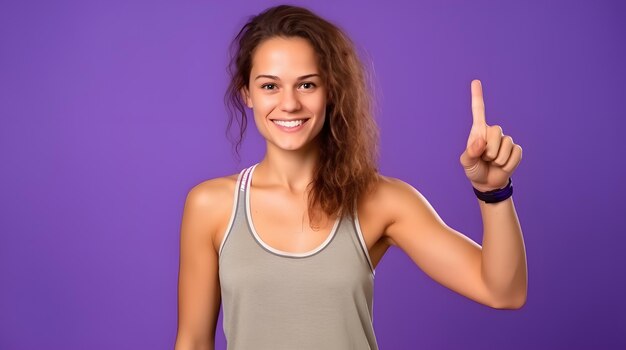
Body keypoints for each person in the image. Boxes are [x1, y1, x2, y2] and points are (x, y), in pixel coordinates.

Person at [174, 4, 527, 350]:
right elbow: (192, 340)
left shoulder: (380, 200)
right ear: (246, 94)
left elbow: (502, 291)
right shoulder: (211, 205)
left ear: (331, 91)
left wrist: (493, 191)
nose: (289, 103)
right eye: (270, 86)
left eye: (307, 85)